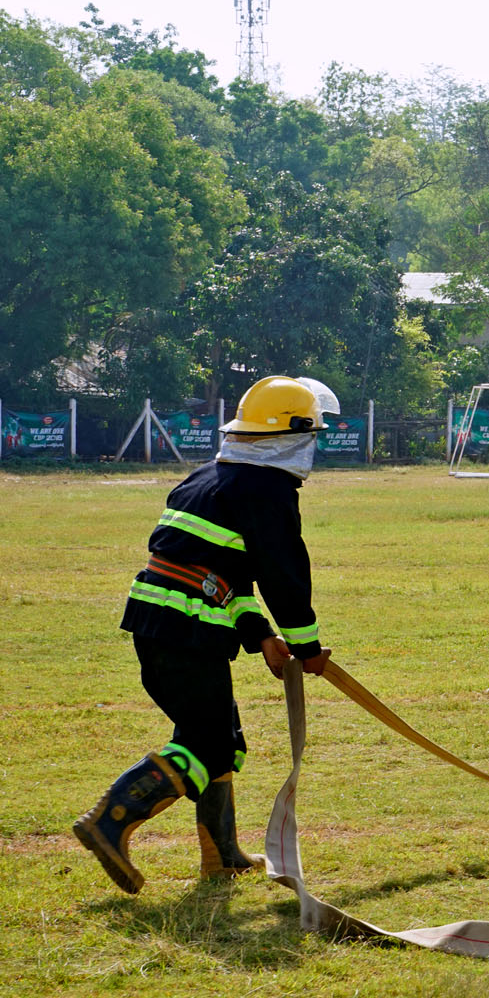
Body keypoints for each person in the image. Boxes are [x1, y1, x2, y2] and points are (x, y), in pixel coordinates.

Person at [73, 376, 338, 894]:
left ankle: (223, 857)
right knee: (210, 744)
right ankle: (112, 819)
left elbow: (224, 575)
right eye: (309, 437)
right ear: (291, 436)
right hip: (187, 630)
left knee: (220, 738)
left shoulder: (209, 477)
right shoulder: (266, 489)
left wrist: (260, 633)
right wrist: (307, 647)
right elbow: (283, 577)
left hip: (162, 625)